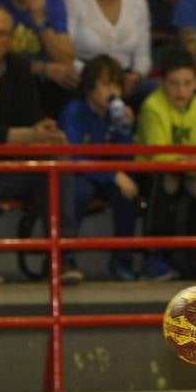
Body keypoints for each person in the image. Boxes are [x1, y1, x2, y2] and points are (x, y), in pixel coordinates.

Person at [135, 47, 196, 283]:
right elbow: (158, 157)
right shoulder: (152, 107)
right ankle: (154, 255)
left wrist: (190, 162)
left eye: (187, 83)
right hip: (148, 171)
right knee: (167, 179)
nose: (181, 90)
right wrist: (187, 160)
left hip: (185, 170)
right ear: (162, 83)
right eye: (174, 83)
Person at [0, 5, 68, 286]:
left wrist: (45, 129)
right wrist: (21, 135)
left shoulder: (18, 67)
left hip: (11, 168)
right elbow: (21, 132)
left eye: (1, 33)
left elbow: (32, 116)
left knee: (55, 169)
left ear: (11, 38)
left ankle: (60, 259)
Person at [56, 55, 140, 284]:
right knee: (78, 191)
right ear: (89, 86)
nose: (111, 91)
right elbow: (73, 156)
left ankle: (121, 260)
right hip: (81, 175)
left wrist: (125, 129)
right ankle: (66, 258)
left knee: (128, 193)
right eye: (105, 84)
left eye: (115, 84)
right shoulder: (74, 111)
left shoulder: (118, 113)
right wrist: (112, 174)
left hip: (107, 175)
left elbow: (127, 159)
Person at [0, 0, 79, 116]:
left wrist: (40, 20)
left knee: (70, 83)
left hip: (43, 80)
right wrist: (42, 68)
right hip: (6, 78)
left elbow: (66, 57)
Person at [64, 0, 152, 102]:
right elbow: (67, 53)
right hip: (86, 78)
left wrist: (135, 76)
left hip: (127, 79)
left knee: (156, 90)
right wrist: (100, 80)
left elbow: (143, 57)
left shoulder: (138, 3)